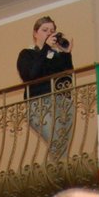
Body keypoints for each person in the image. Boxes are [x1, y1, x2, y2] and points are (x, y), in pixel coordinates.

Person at [17, 15, 75, 155]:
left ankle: (61, 175)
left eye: (52, 30)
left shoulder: (56, 56)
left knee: (62, 145)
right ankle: (64, 175)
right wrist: (45, 48)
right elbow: (31, 75)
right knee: (57, 143)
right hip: (40, 105)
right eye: (45, 30)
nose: (49, 33)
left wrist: (66, 54)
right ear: (35, 33)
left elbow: (67, 80)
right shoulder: (27, 54)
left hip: (63, 104)